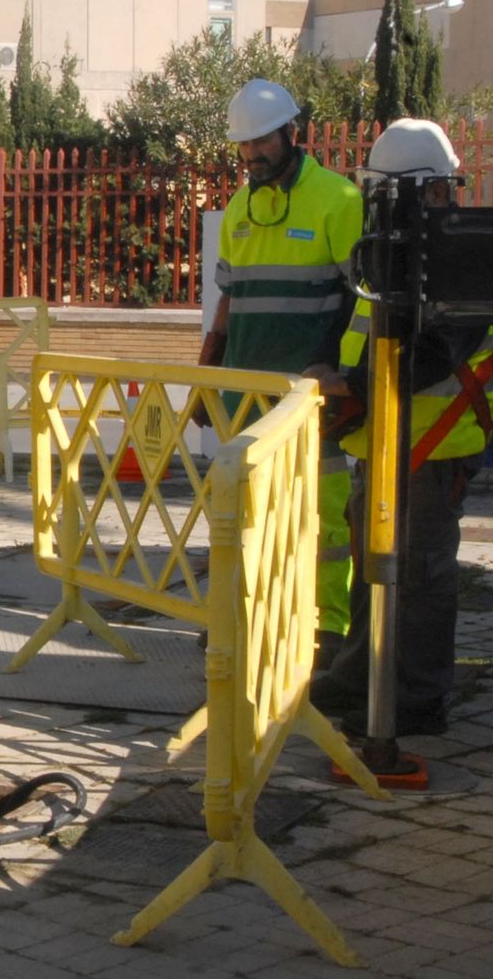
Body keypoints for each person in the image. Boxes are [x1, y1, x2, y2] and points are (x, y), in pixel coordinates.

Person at [311, 119, 491, 737]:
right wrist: (346, 384)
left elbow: (433, 357)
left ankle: (414, 699)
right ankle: (360, 677)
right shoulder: (393, 260)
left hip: (430, 448)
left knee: (419, 579)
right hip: (386, 445)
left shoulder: (459, 263)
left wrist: (352, 389)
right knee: (376, 571)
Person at [200, 79, 363, 668]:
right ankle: (255, 619)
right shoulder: (242, 206)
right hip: (249, 398)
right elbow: (228, 301)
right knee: (248, 517)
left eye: (261, 142)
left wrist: (347, 376)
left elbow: (364, 301)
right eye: (243, 147)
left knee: (323, 519)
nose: (251, 156)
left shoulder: (339, 200)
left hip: (312, 400)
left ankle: (330, 632)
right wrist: (208, 369)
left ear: (292, 133)